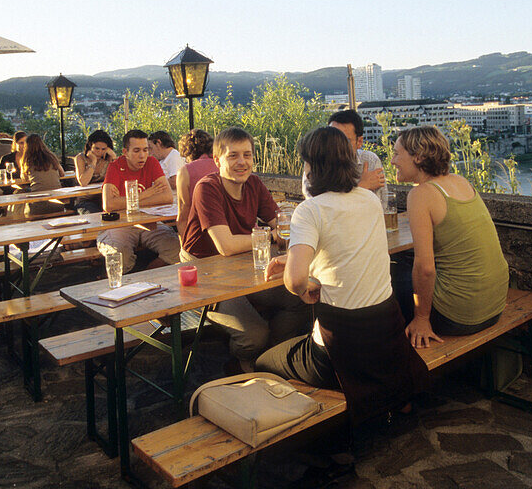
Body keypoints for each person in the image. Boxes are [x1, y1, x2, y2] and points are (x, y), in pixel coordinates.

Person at [257, 127, 426, 424]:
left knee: (263, 361)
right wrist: (298, 258)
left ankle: (314, 433)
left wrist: (306, 282)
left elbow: (296, 282)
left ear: (312, 166)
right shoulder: (369, 200)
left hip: (340, 351)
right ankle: (391, 399)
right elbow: (347, 249)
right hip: (386, 338)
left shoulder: (309, 210)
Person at [180, 127, 308, 372]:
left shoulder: (254, 184)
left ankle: (270, 357)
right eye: (233, 156)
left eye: (247, 155)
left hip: (244, 265)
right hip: (206, 275)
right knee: (253, 335)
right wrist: (271, 236)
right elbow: (226, 246)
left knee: (301, 295)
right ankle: (243, 360)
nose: (242, 162)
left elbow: (281, 225)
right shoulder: (207, 188)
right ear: (217, 160)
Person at [392, 125, 509, 347]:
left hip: (459, 315)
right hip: (493, 307)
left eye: (397, 154)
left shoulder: (421, 194)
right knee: (407, 263)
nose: (392, 161)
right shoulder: (460, 181)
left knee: (393, 271)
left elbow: (425, 268)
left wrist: (422, 319)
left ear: (417, 157)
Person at [97, 129, 180, 272]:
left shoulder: (152, 163)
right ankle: (117, 286)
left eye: (145, 150)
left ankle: (147, 276)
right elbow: (109, 205)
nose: (142, 155)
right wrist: (146, 194)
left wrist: (125, 201)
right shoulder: (115, 167)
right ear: (125, 152)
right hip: (119, 224)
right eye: (136, 151)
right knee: (119, 255)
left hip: (149, 222)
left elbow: (166, 197)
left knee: (177, 248)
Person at [301, 109, 385, 200]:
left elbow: (380, 205)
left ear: (359, 142)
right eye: (331, 140)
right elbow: (315, 205)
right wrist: (361, 188)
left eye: (345, 141)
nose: (336, 145)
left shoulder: (370, 161)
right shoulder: (317, 161)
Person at [174, 129, 218, 237]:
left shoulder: (185, 171)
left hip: (202, 235)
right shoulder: (222, 164)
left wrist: (184, 249)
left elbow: (182, 217)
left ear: (187, 153)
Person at [19, 133, 67, 217]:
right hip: (58, 202)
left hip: (37, 204)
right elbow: (62, 174)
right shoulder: (51, 157)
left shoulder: (27, 160)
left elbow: (24, 179)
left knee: (19, 193)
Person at [73, 130, 115, 214]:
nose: (100, 152)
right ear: (90, 146)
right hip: (85, 200)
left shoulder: (108, 159)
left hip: (104, 198)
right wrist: (93, 161)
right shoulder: (80, 158)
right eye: (96, 148)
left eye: (103, 149)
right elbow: (83, 182)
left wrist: (114, 157)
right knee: (93, 214)